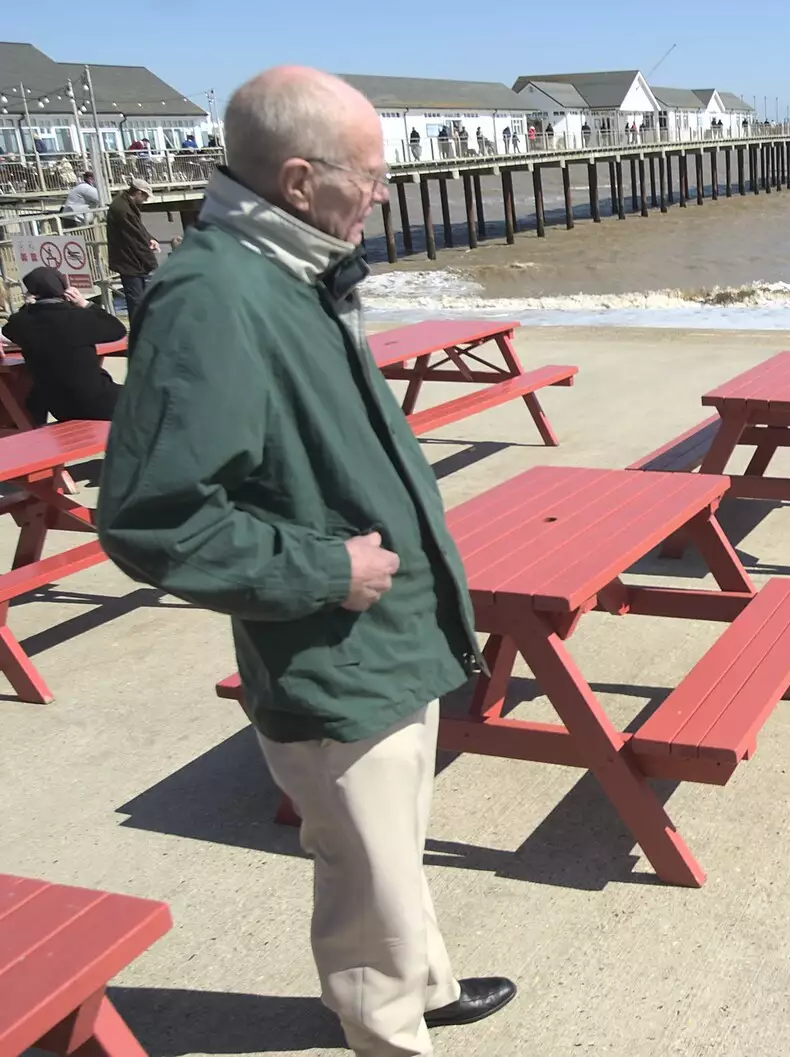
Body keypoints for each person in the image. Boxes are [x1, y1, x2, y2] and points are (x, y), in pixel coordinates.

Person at [95, 66, 515, 1057]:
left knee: (393, 847)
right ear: (296, 179)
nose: (380, 195)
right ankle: (385, 1027)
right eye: (368, 177)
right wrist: (325, 573)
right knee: (363, 860)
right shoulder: (214, 297)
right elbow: (153, 521)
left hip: (388, 633)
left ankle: (424, 984)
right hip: (334, 640)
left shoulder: (291, 266)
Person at [0, 266, 125, 424]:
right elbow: (118, 330)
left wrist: (28, 307)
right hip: (101, 402)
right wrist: (84, 303)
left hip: (60, 408)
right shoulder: (80, 317)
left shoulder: (21, 322)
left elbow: (9, 329)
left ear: (31, 294)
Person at [106, 178, 160, 321]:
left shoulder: (125, 205)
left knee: (139, 298)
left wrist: (150, 239)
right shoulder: (122, 209)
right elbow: (134, 238)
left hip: (130, 260)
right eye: (145, 196)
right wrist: (153, 264)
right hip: (129, 260)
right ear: (138, 193)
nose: (146, 200)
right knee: (136, 299)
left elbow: (138, 229)